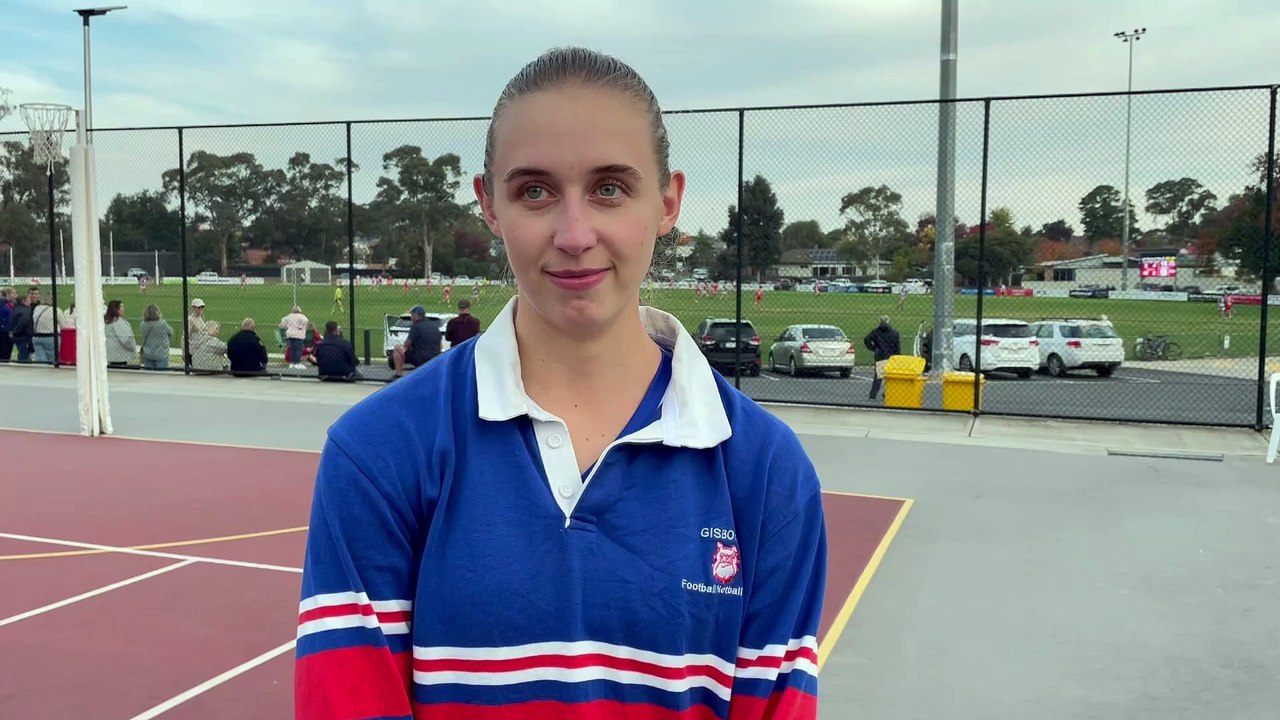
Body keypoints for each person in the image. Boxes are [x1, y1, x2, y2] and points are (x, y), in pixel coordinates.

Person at [295, 47, 827, 720]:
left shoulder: (767, 473)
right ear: (490, 206)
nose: (575, 235)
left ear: (668, 202)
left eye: (609, 188)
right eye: (535, 191)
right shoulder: (378, 452)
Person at [390, 305, 440, 378]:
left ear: (417, 315)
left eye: (412, 315)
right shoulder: (434, 326)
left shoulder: (416, 326)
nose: (411, 317)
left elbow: (406, 345)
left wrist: (399, 348)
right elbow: (440, 345)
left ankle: (398, 374)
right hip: (436, 357)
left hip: (421, 358)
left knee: (397, 350)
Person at [864, 315, 901, 401]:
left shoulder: (876, 332)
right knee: (890, 378)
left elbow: (866, 339)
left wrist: (873, 348)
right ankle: (886, 394)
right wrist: (897, 358)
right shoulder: (895, 333)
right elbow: (897, 348)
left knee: (878, 378)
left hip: (880, 356)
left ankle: (872, 396)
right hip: (891, 358)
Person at [138, 304, 173, 370]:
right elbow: (171, 332)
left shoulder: (143, 324)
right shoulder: (162, 324)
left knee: (149, 376)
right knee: (161, 377)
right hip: (161, 354)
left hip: (148, 353)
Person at [103, 299, 136, 367]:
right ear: (116, 310)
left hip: (109, 355)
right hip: (119, 357)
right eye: (121, 307)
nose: (123, 309)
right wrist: (133, 348)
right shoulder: (119, 323)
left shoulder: (107, 322)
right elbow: (126, 340)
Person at [279, 305, 310, 369]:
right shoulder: (302, 317)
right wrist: (300, 326)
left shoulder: (289, 316)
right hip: (298, 335)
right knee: (298, 349)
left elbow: (282, 323)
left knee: (292, 349)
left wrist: (286, 327)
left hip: (290, 334)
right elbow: (306, 321)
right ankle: (297, 363)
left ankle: (292, 363)